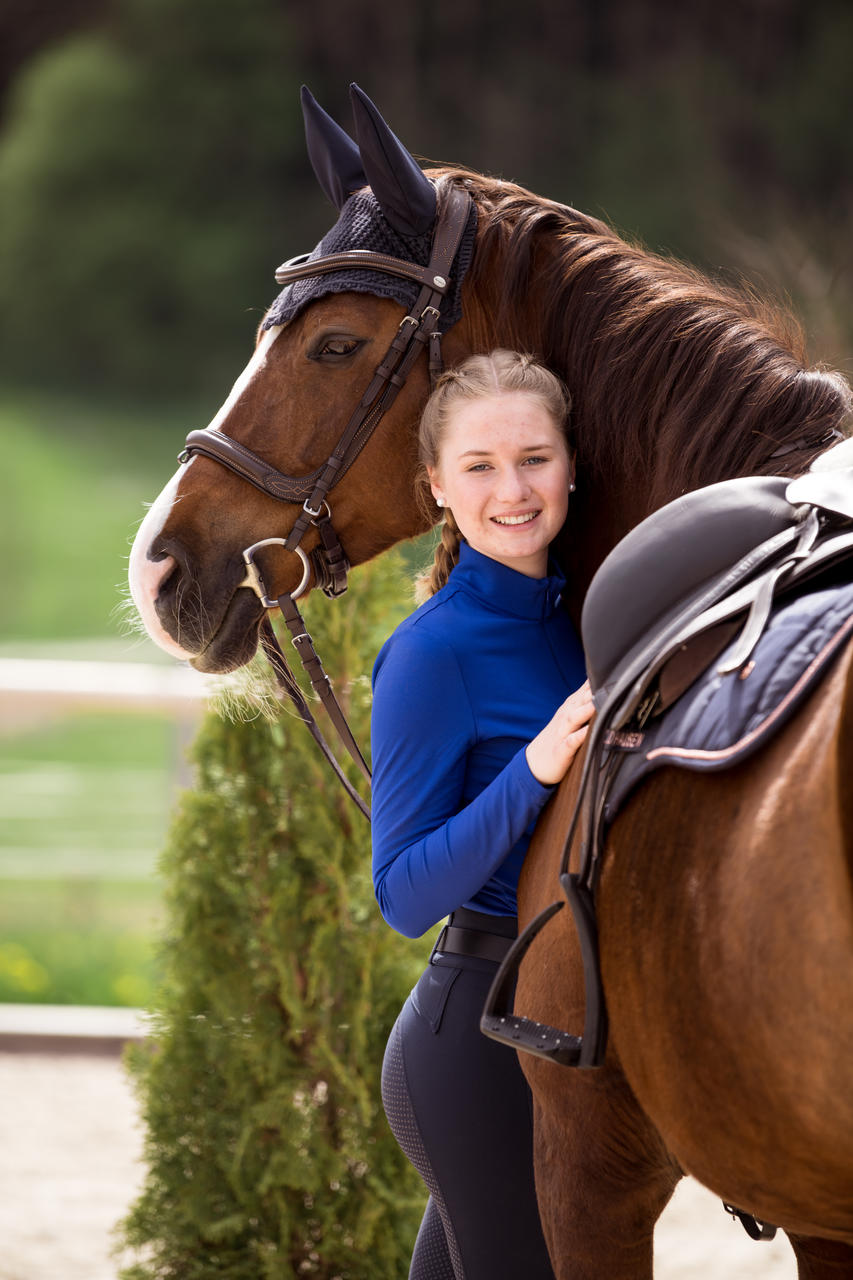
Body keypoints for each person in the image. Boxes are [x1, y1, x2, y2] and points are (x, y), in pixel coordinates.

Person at [370, 349, 593, 1279]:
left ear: (571, 467)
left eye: (535, 458)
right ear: (436, 487)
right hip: (476, 1045)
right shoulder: (430, 653)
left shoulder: (585, 613)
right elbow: (403, 894)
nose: (514, 488)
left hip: (568, 1028)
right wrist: (537, 765)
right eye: (479, 466)